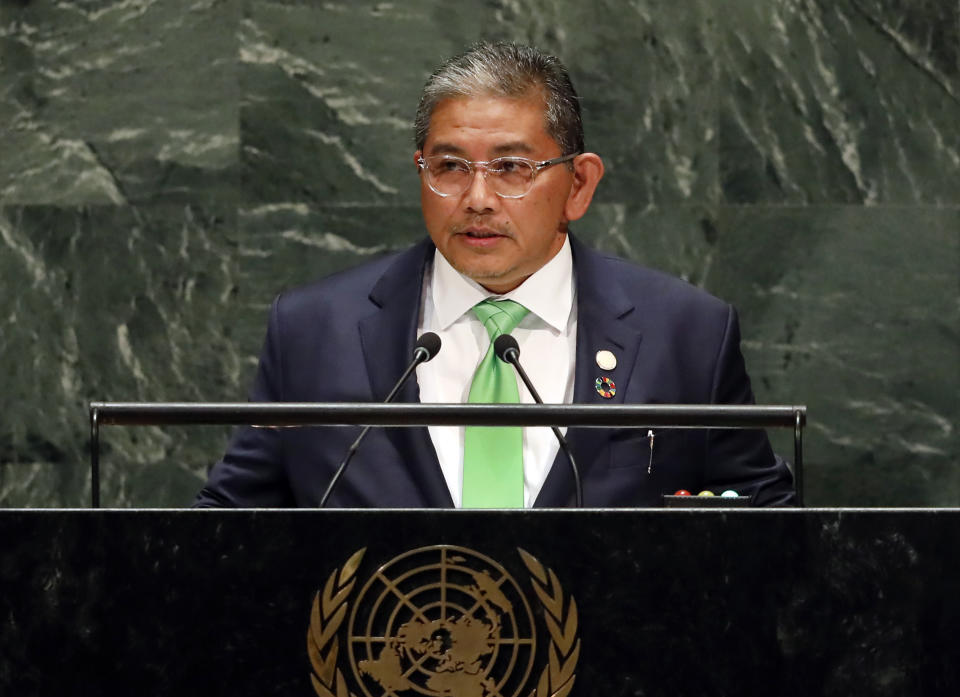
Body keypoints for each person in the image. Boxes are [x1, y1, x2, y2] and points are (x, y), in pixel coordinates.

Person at [195, 42, 795, 508]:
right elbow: (227, 522)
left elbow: (766, 525)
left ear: (578, 184)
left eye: (512, 167)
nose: (477, 198)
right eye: (450, 166)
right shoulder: (314, 330)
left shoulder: (687, 333)